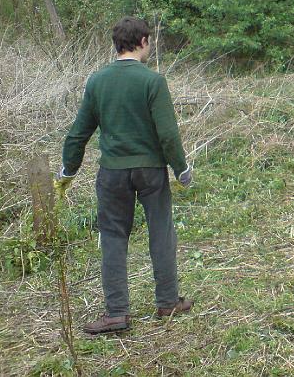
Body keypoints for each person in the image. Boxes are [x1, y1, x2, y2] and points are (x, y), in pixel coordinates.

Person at [56, 17, 194, 334]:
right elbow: (168, 136)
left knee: (114, 238)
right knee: (161, 230)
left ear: (116, 44)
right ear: (143, 41)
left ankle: (117, 314)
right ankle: (168, 302)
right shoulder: (152, 82)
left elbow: (78, 134)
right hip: (150, 172)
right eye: (150, 41)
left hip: (112, 173)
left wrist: (68, 169)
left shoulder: (97, 81)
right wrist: (181, 169)